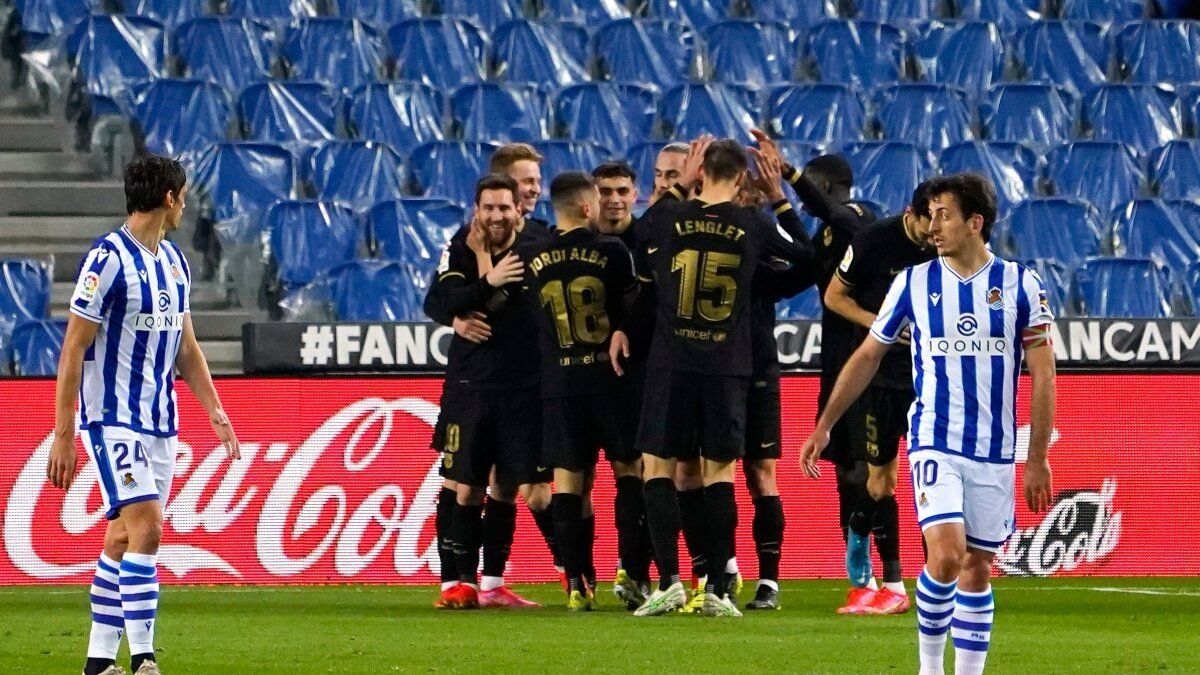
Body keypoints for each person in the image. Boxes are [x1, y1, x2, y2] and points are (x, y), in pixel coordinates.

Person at [800, 173, 1056, 675]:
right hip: (934, 440)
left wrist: (1038, 457)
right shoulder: (914, 283)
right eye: (931, 214)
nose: (933, 226)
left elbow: (1044, 374)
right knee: (945, 555)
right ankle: (930, 668)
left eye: (944, 215)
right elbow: (869, 354)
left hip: (994, 449)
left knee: (977, 568)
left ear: (975, 223)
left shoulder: (1021, 284)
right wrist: (825, 423)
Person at [46, 154, 241, 675]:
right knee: (149, 529)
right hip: (112, 418)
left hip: (160, 422)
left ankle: (98, 663)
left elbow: (187, 349)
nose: (185, 206)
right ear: (169, 198)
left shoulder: (175, 263)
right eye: (183, 196)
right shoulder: (107, 259)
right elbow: (73, 347)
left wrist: (215, 409)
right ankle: (145, 659)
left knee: (122, 536)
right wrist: (64, 433)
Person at [612, 137, 812, 618]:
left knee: (658, 467)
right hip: (727, 367)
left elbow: (637, 238)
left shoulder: (669, 216)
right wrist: (781, 199)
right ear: (742, 178)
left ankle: (670, 582)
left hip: (671, 362)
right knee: (720, 473)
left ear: (700, 172)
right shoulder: (752, 223)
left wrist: (679, 187)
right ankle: (720, 590)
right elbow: (807, 259)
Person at [751, 129, 879, 609]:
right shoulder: (830, 235)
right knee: (847, 469)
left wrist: (789, 174)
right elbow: (806, 261)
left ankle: (883, 569)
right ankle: (860, 573)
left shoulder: (862, 217)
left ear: (825, 187)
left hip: (869, 362)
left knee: (867, 469)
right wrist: (778, 206)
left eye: (811, 191)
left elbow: (835, 217)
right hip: (836, 363)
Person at [423, 174, 549, 610]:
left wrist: (485, 281)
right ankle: (456, 583)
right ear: (477, 209)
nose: (497, 215)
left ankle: (493, 583)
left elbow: (503, 305)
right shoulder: (462, 244)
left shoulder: (537, 245)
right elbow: (437, 302)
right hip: (470, 383)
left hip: (523, 385)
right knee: (464, 485)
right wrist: (463, 310)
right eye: (489, 207)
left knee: (509, 486)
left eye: (504, 207)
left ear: (519, 208)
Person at [517, 171, 639, 610]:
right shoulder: (612, 250)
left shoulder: (531, 256)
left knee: (570, 482)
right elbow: (632, 307)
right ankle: (632, 571)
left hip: (559, 383)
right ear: (587, 207)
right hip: (610, 380)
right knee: (629, 471)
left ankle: (576, 583)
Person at [821, 182, 938, 614]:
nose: (935, 233)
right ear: (911, 213)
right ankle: (888, 576)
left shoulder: (948, 246)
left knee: (934, 481)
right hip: (880, 377)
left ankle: (933, 584)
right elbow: (834, 296)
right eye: (929, 223)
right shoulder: (873, 241)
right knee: (881, 482)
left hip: (931, 379)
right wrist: (878, 323)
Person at [590, 160, 655, 608]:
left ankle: (637, 570)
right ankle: (586, 576)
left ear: (636, 194)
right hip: (586, 377)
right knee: (609, 474)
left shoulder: (649, 239)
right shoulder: (579, 242)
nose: (613, 199)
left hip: (642, 372)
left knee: (644, 470)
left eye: (621, 191)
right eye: (605, 191)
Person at [490, 142, 550, 230]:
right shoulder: (473, 235)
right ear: (500, 182)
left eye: (538, 182)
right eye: (528, 181)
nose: (537, 190)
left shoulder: (544, 235)